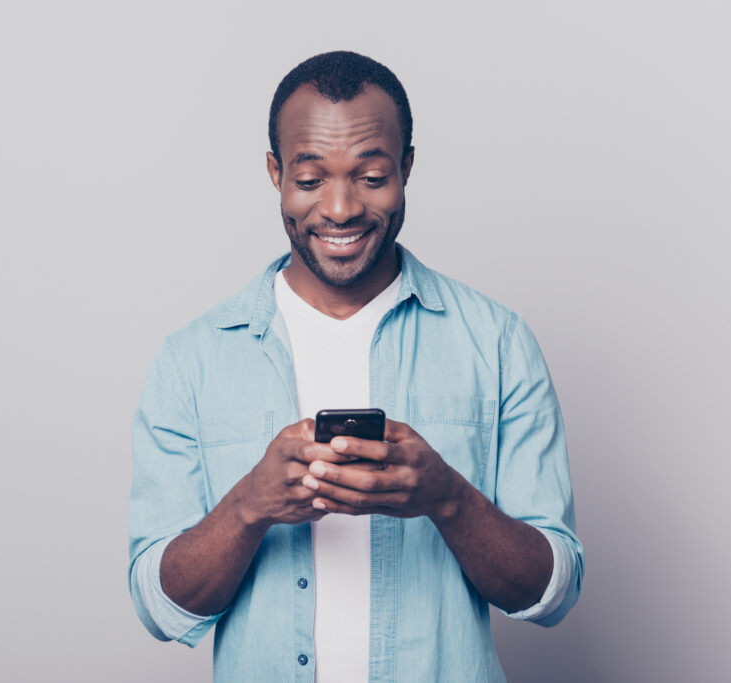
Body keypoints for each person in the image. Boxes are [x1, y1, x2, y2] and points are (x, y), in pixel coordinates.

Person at [128, 51, 583, 682]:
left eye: (371, 177)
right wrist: (248, 507)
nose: (340, 210)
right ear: (275, 173)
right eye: (310, 180)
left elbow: (553, 594)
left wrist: (446, 497)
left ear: (407, 169)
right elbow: (161, 609)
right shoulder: (192, 359)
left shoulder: (498, 342)